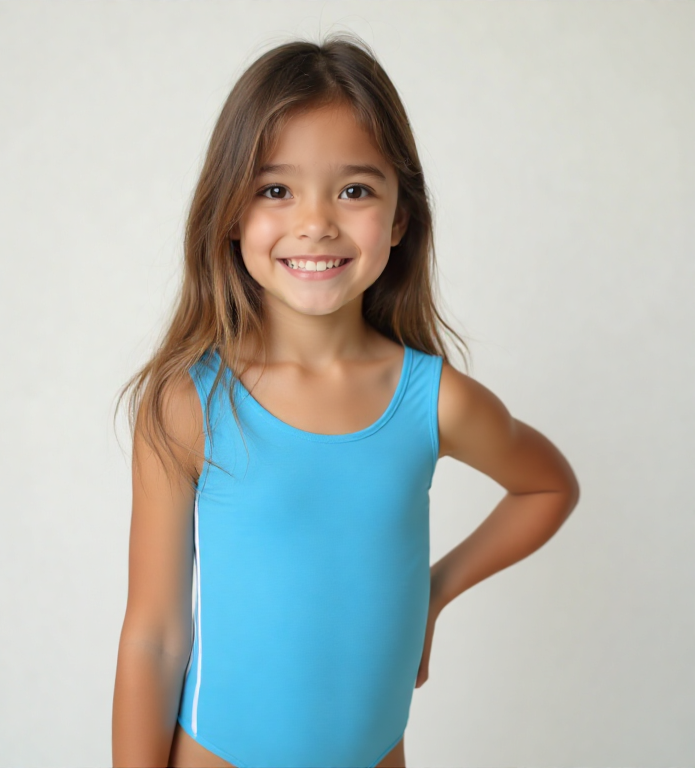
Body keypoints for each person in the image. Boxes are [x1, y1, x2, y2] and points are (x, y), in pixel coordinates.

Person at [111, 33, 580, 768]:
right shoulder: (188, 404)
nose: (316, 222)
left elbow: (548, 486)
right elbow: (154, 637)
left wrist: (434, 594)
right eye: (276, 190)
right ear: (230, 213)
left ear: (400, 218)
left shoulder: (435, 401)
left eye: (355, 190)